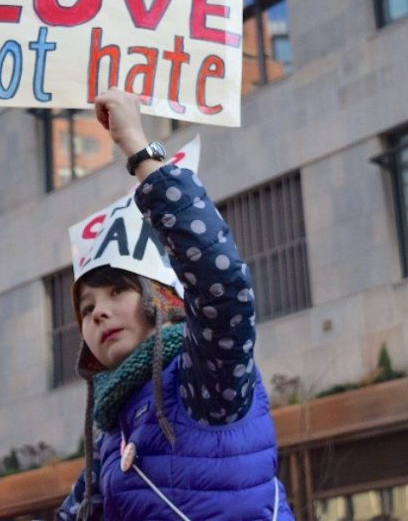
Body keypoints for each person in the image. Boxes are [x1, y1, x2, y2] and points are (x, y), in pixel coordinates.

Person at [57, 89, 293, 520]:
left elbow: (222, 286)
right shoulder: (112, 434)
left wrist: (138, 149)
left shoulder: (205, 381)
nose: (98, 313)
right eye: (86, 308)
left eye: (117, 292)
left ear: (163, 300)